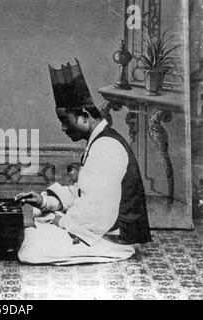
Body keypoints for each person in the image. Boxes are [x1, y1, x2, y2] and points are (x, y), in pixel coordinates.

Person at [15, 60, 151, 266]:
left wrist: (62, 221)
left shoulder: (106, 146)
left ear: (84, 116)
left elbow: (100, 212)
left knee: (30, 249)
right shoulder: (98, 141)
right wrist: (45, 202)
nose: (63, 128)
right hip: (95, 226)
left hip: (111, 238)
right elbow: (83, 192)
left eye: (65, 120)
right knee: (37, 214)